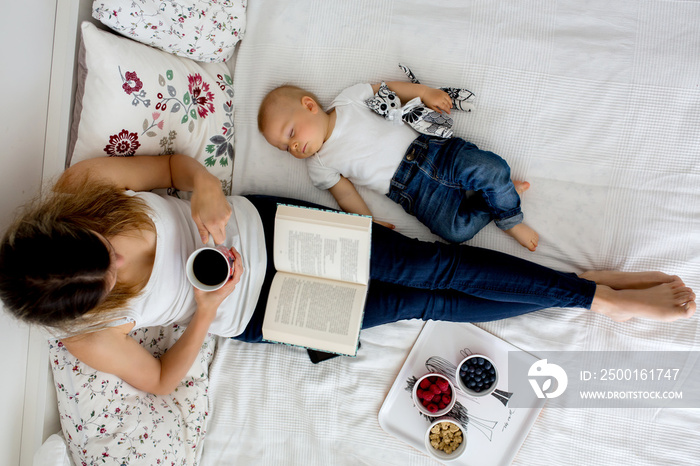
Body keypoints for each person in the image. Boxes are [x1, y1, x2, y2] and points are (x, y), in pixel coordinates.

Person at [0, 155, 695, 395]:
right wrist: (206, 312)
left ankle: (599, 298)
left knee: (439, 265)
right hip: (260, 312)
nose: (122, 262)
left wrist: (205, 192)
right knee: (426, 302)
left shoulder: (84, 183)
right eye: (110, 279)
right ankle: (588, 292)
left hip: (272, 229)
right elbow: (158, 380)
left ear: (66, 222)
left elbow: (179, 170)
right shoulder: (85, 334)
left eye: (104, 245)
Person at [257, 82, 540, 250]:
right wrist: (367, 221)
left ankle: (510, 218)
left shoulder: (348, 100)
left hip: (433, 150)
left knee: (491, 167)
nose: (292, 147)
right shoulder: (319, 166)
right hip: (412, 193)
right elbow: (345, 194)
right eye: (284, 148)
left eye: (291, 133)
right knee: (456, 232)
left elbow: (389, 89)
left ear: (309, 106)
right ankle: (494, 197)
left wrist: (426, 92)